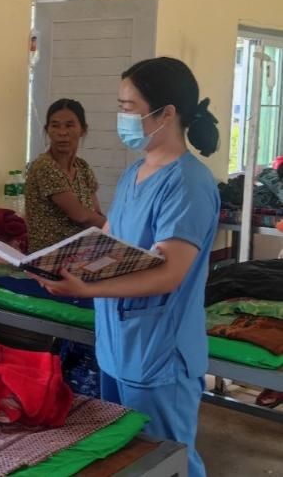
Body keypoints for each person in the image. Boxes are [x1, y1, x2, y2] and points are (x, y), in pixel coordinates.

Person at [32, 57, 221, 477]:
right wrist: (59, 267)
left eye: (129, 107)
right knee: (127, 457)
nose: (122, 117)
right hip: (119, 346)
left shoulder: (187, 183)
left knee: (168, 460)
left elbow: (169, 273)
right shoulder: (136, 172)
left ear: (166, 113)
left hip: (159, 353)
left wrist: (87, 290)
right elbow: (109, 241)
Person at [26, 98, 105, 252]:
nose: (62, 133)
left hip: (82, 252)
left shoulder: (82, 167)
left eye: (69, 125)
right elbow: (81, 216)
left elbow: (95, 213)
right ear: (47, 130)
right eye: (55, 126)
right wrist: (117, 230)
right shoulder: (45, 166)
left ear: (83, 130)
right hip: (51, 256)